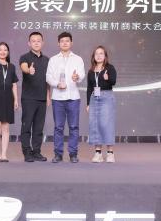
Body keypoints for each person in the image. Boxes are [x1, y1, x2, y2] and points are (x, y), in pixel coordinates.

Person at [46, 32, 85, 163]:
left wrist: (77, 77)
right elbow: (48, 77)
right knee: (58, 127)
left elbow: (82, 75)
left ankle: (73, 154)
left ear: (71, 43)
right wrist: (57, 84)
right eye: (62, 41)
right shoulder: (53, 59)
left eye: (67, 41)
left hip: (73, 97)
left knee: (74, 127)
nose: (65, 43)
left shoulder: (78, 59)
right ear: (58, 43)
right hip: (57, 98)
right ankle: (58, 154)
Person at [19, 32, 51, 162]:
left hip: (42, 98)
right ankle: (27, 152)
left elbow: (48, 80)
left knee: (39, 128)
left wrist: (48, 96)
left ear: (42, 43)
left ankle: (37, 152)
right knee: (26, 126)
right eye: (33, 41)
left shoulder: (47, 60)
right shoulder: (24, 57)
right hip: (28, 98)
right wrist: (29, 70)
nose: (36, 43)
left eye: (39, 41)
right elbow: (24, 68)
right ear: (29, 43)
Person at [86, 46, 117, 163]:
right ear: (93, 56)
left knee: (106, 124)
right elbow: (89, 88)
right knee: (95, 124)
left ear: (105, 56)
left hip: (106, 97)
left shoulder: (110, 68)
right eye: (96, 54)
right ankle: (98, 153)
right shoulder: (91, 71)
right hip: (94, 98)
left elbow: (113, 82)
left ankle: (110, 153)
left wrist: (107, 78)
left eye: (101, 53)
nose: (99, 56)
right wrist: (88, 103)